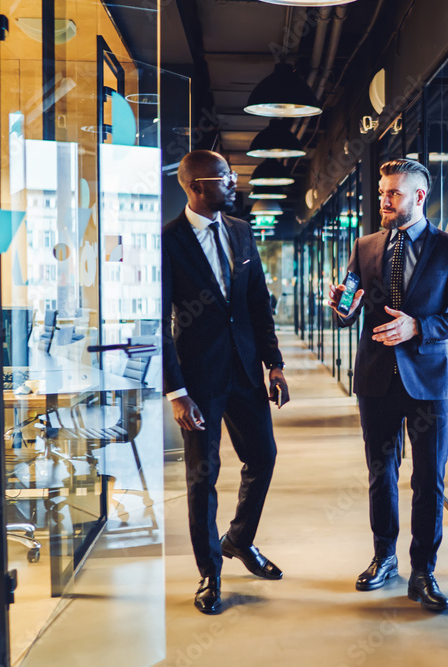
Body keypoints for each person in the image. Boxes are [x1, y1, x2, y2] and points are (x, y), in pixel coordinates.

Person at [327, 158, 448, 612]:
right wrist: (341, 306)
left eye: (393, 193)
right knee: (381, 473)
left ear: (419, 196)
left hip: (428, 382)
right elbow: (350, 310)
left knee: (429, 478)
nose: (384, 201)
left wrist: (418, 328)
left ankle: (424, 571)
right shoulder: (365, 245)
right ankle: (384, 557)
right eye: (382, 192)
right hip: (375, 378)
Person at [162, 150, 290, 615]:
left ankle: (237, 540)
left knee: (263, 456)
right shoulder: (168, 242)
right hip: (197, 381)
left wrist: (274, 364)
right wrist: (176, 393)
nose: (235, 184)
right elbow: (156, 325)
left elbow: (258, 302)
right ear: (197, 186)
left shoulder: (240, 230)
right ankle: (209, 572)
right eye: (226, 178)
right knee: (204, 476)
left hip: (246, 371)